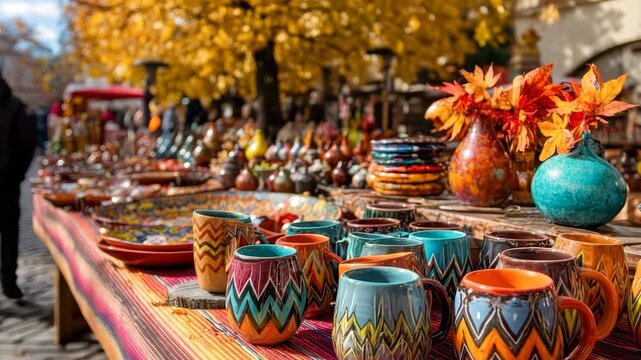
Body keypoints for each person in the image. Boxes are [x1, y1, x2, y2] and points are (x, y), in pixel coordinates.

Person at [0, 73, 36, 299]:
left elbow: (26, 144)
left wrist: (16, 174)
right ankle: (9, 283)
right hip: (7, 182)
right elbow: (27, 144)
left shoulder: (14, 108)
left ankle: (9, 282)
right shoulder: (15, 106)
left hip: (6, 182)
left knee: (9, 233)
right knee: (8, 233)